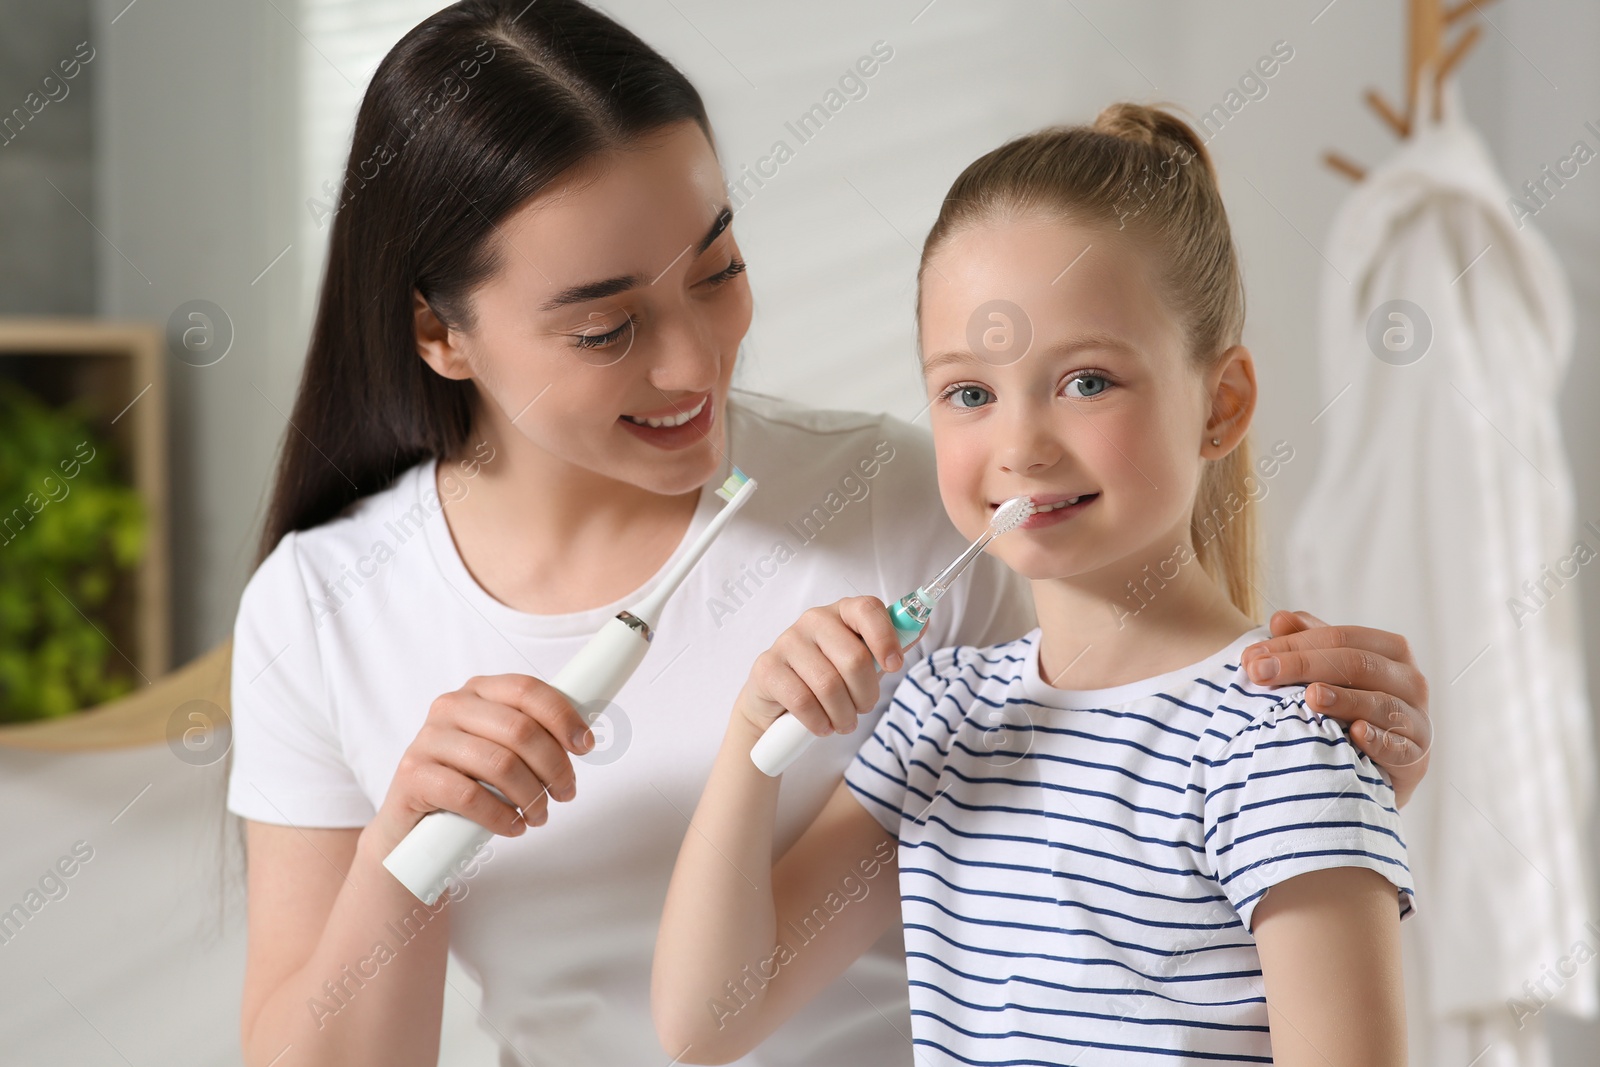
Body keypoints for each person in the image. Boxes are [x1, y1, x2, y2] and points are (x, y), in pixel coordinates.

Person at [226, 3, 1431, 1065]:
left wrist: (1328, 772)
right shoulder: (323, 605)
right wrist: (408, 842)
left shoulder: (909, 509)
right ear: (440, 334)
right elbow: (700, 1021)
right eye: (604, 329)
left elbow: (1131, 735)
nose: (695, 361)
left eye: (718, 269)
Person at [652, 106, 1414, 1066]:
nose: (1021, 446)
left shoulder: (1275, 743)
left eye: (1087, 380)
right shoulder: (941, 720)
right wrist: (753, 738)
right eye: (970, 393)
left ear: (1220, 405)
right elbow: (705, 1021)